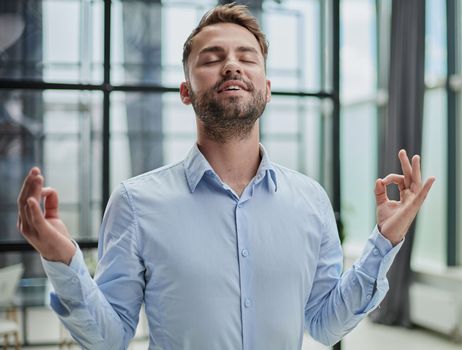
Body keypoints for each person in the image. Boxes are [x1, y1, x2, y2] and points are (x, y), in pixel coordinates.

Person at [17, 3, 435, 350]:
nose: (231, 65)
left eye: (246, 56)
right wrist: (62, 260)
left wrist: (385, 242)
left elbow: (325, 325)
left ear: (266, 88)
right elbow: (110, 338)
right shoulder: (136, 203)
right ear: (186, 91)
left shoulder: (310, 200)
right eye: (212, 58)